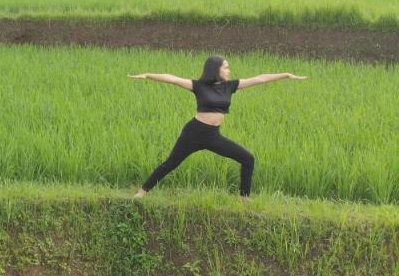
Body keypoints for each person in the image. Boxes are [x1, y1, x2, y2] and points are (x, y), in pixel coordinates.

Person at [129, 55, 306, 199]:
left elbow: (260, 79)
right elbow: (173, 79)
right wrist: (148, 75)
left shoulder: (230, 86)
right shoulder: (198, 86)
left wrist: (285, 75)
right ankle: (142, 192)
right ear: (216, 69)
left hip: (213, 136)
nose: (229, 70)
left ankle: (244, 198)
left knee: (247, 159)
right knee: (170, 164)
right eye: (226, 67)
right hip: (193, 132)